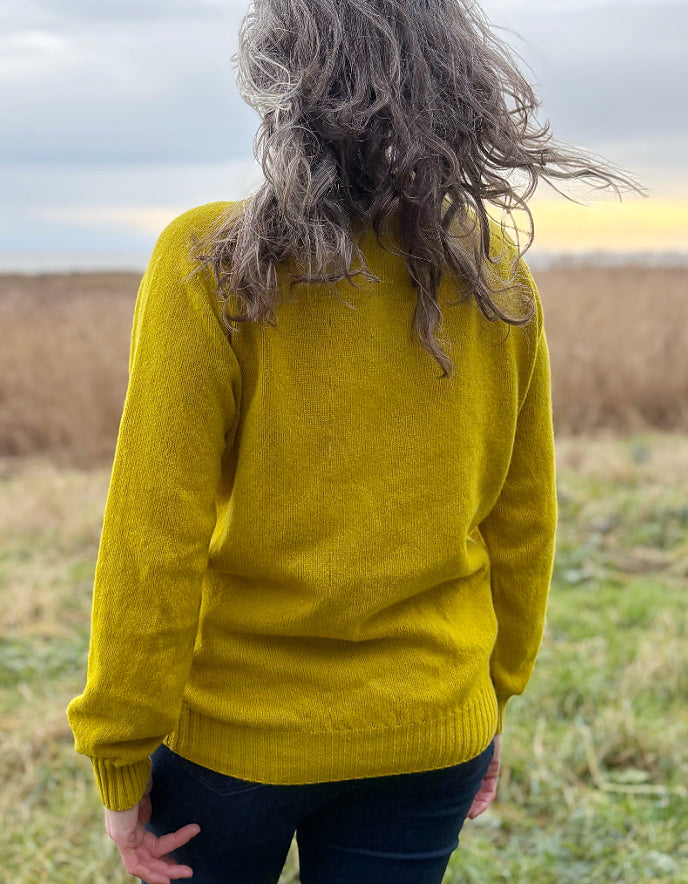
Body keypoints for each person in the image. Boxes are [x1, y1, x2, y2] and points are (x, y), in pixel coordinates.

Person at [66, 1, 641, 882]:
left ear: (281, 85)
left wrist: (120, 753)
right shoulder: (491, 270)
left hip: (236, 744)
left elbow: (154, 536)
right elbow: (524, 524)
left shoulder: (208, 260)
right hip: (430, 730)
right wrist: (493, 696)